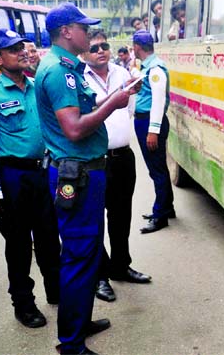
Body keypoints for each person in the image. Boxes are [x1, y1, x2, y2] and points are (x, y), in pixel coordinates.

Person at [35, 2, 137, 355]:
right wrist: (113, 105)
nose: (90, 34)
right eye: (84, 28)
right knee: (79, 255)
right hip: (76, 174)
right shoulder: (59, 72)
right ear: (67, 31)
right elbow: (75, 128)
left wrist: (115, 97)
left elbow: (85, 110)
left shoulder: (66, 67)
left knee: (88, 252)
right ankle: (71, 344)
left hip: (85, 172)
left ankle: (79, 322)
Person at [0, 29, 61, 329]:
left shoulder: (37, 87)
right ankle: (23, 303)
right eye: (13, 49)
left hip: (43, 172)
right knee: (19, 244)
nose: (22, 52)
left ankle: (56, 291)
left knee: (50, 237)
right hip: (13, 177)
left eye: (22, 47)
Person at [83, 31, 152, 304]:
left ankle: (121, 266)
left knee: (121, 216)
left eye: (104, 46)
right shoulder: (79, 78)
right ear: (84, 53)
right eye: (94, 48)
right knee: (95, 220)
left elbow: (130, 109)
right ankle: (100, 276)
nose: (101, 51)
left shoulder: (123, 73)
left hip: (123, 157)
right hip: (95, 160)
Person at [132, 30, 175, 233]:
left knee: (156, 170)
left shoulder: (155, 68)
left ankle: (161, 216)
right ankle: (167, 208)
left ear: (136, 47)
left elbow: (158, 102)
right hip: (147, 122)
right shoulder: (149, 66)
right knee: (159, 168)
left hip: (150, 122)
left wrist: (153, 131)